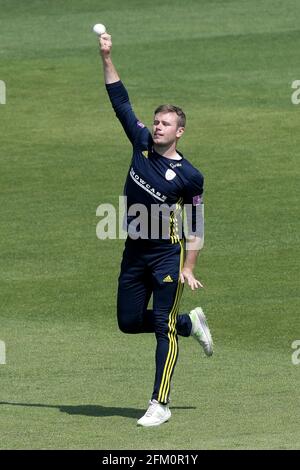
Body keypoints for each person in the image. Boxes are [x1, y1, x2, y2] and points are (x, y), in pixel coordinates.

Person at [98, 32, 213, 427]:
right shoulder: (142, 142)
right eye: (158, 121)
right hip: (135, 251)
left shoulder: (189, 176)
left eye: (166, 124)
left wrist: (189, 266)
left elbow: (196, 222)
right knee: (129, 321)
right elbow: (120, 101)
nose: (159, 127)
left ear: (180, 131)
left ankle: (159, 403)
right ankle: (189, 324)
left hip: (167, 253)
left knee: (161, 328)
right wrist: (107, 56)